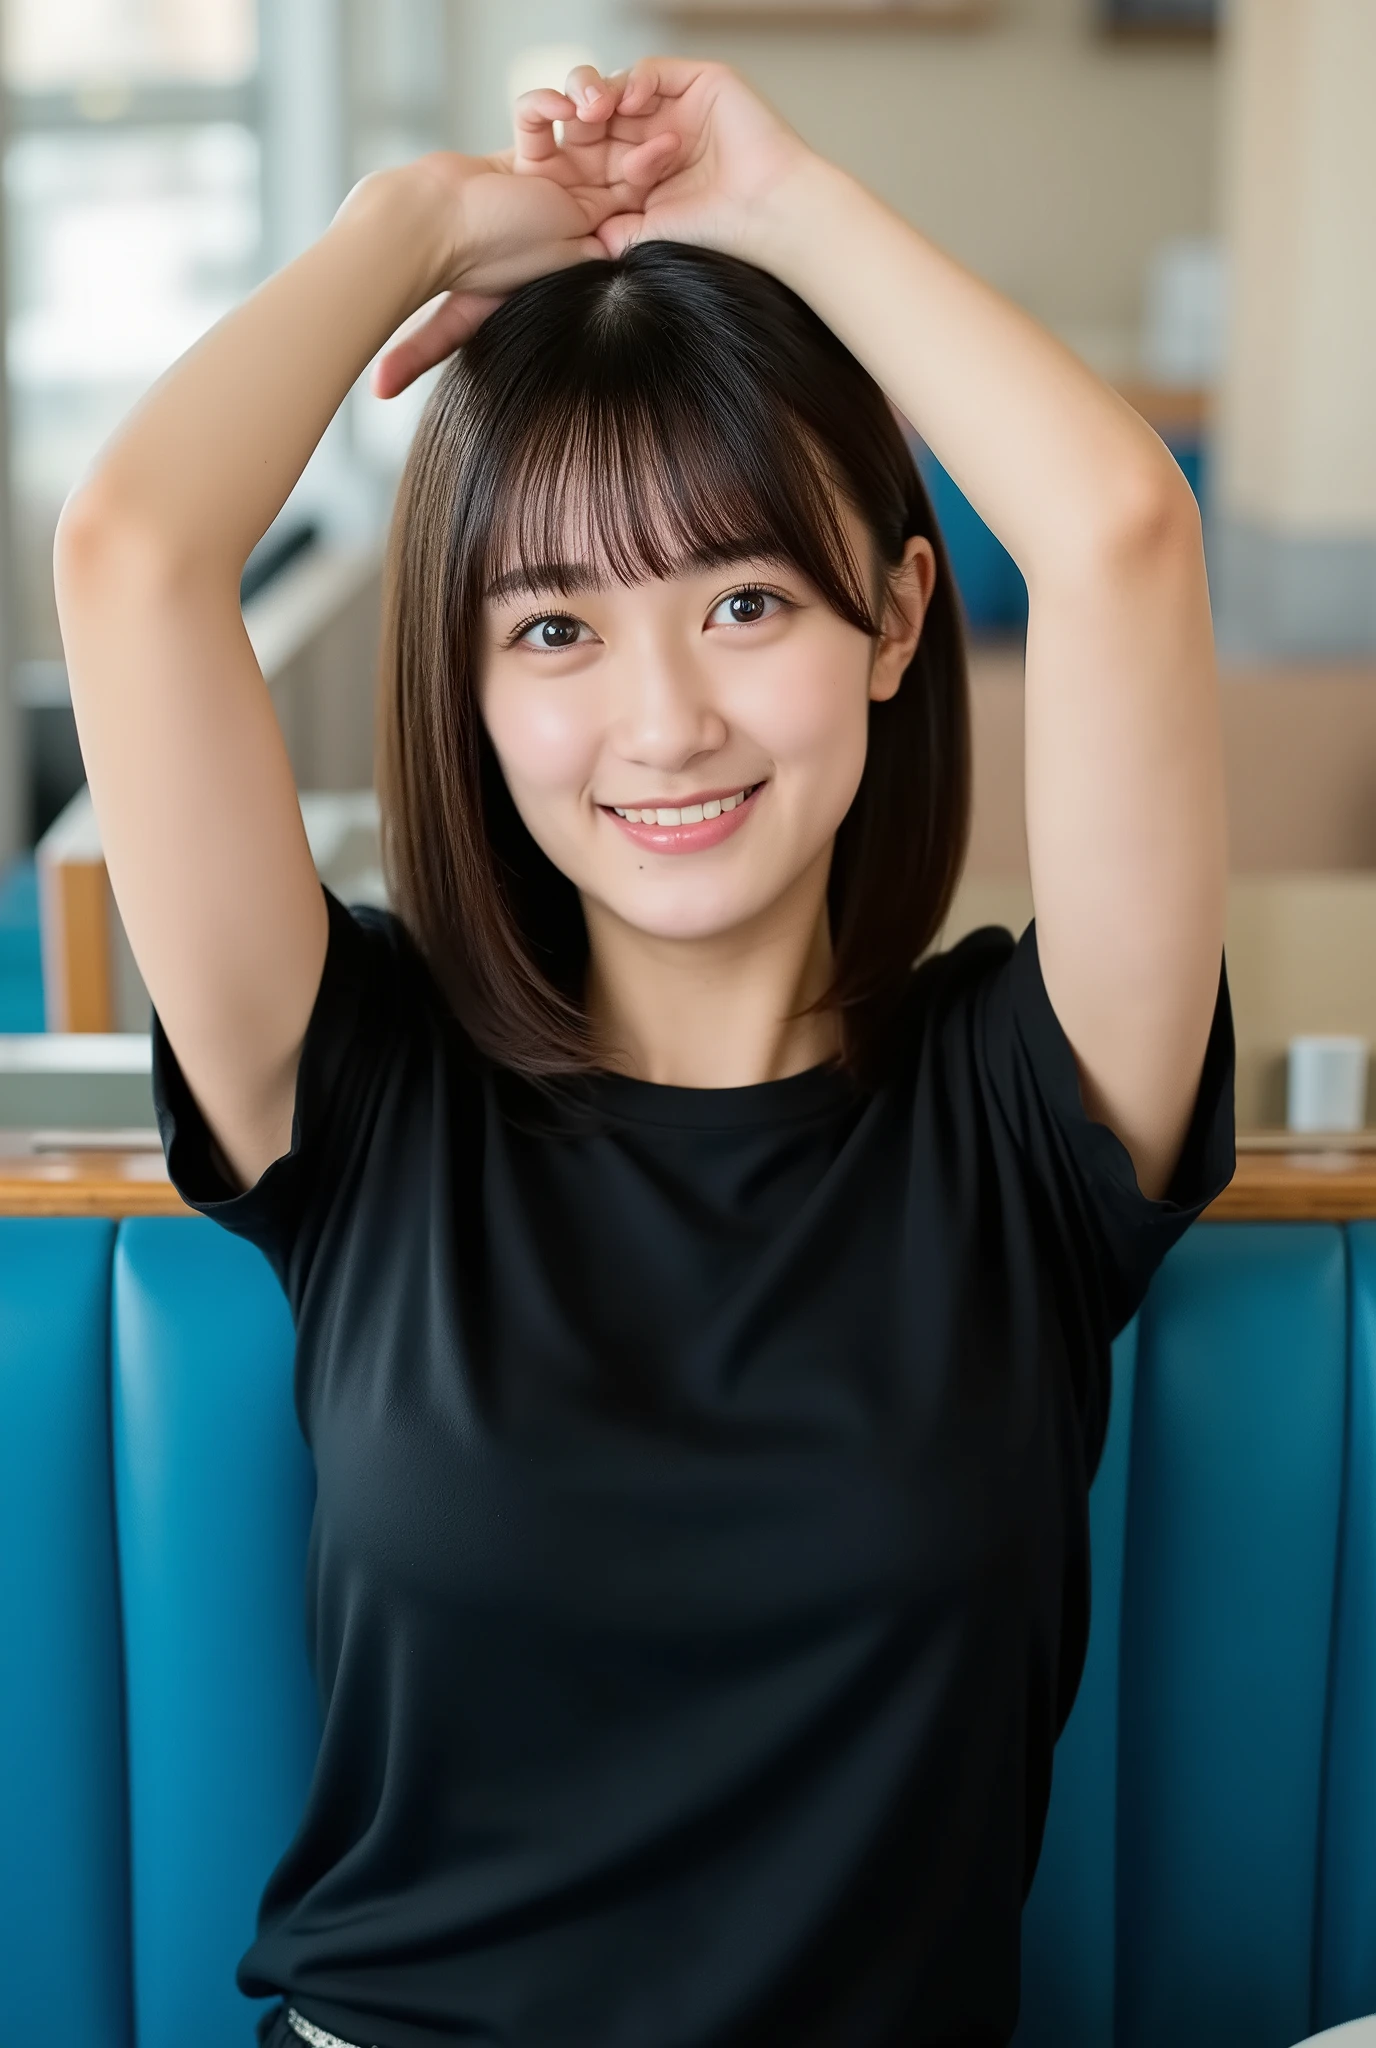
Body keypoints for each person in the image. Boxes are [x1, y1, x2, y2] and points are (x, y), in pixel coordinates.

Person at [52, 55, 1235, 2048]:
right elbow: (135, 556)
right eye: (554, 630)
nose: (665, 719)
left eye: (745, 596)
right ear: (472, 687)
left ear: (892, 616)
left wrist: (776, 205)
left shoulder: (1025, 1118)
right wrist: (411, 229)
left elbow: (1121, 530)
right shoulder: (356, 1094)